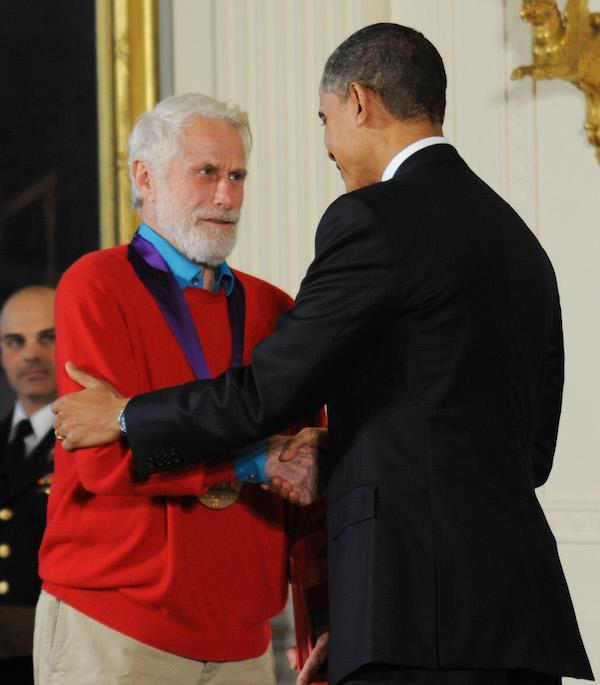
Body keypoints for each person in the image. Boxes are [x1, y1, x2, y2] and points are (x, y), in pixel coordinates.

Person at [53, 24, 594, 685]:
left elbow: (264, 393)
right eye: (207, 173)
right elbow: (533, 451)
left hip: (409, 610)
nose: (329, 145)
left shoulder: (374, 216)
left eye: (325, 118)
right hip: (519, 613)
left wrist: (130, 416)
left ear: (360, 103)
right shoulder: (519, 240)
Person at [36, 93, 326, 685]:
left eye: (237, 175)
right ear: (144, 176)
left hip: (245, 634)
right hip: (115, 628)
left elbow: (305, 477)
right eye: (206, 173)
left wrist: (324, 621)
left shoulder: (274, 308)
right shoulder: (96, 286)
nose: (226, 196)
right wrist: (251, 460)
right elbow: (102, 462)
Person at [0, 286, 56, 685]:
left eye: (48, 337)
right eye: (15, 341)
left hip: (59, 655)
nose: (31, 354)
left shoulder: (106, 445)